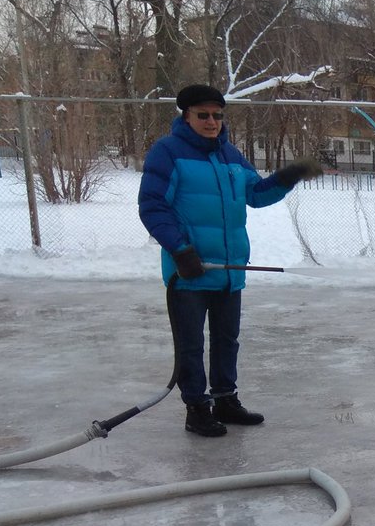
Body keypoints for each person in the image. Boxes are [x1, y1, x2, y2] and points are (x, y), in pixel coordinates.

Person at [138, 83, 323, 437]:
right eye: (203, 115)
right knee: (191, 343)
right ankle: (197, 407)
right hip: (190, 271)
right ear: (186, 116)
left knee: (227, 339)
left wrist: (289, 175)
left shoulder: (230, 156)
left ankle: (225, 399)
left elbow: (255, 194)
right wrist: (180, 250)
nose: (212, 122)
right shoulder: (168, 153)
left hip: (229, 271)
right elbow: (152, 206)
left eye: (217, 115)